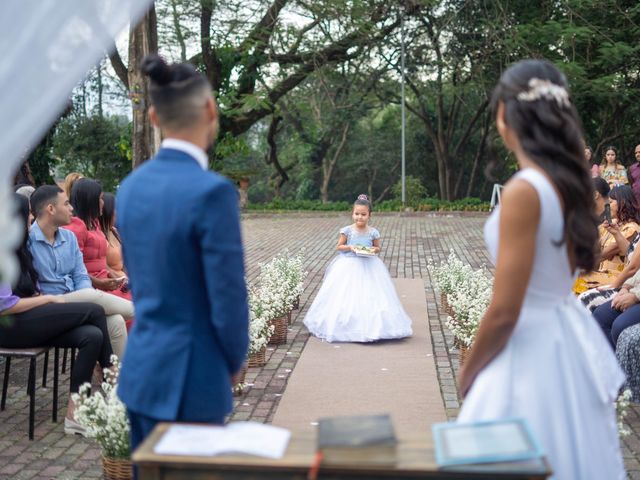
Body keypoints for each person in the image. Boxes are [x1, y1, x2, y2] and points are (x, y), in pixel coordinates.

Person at [456, 59, 625, 479]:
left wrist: (469, 369)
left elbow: (505, 309)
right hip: (565, 339)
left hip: (528, 348)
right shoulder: (568, 186)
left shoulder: (525, 191)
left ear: (504, 115)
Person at [115, 54, 249, 458]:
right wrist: (233, 358)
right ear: (210, 109)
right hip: (193, 378)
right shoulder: (213, 192)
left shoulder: (130, 188)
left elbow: (138, 279)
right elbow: (227, 294)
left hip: (141, 374)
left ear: (154, 117)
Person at [0, 194, 113, 436]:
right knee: (94, 310)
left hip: (29, 320)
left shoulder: (21, 250)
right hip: (9, 328)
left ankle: (75, 413)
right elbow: (5, 306)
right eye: (29, 213)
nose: (33, 217)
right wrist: (48, 299)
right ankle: (114, 383)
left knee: (92, 335)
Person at [28, 185, 131, 360]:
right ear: (51, 209)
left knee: (116, 322)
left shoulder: (69, 238)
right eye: (66, 204)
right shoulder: (28, 242)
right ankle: (149, 311)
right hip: (48, 305)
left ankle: (118, 384)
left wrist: (83, 300)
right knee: (92, 296)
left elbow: (80, 275)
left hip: (76, 301)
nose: (71, 208)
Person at [303, 194, 413, 342]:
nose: (359, 217)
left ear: (369, 215)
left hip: (369, 265)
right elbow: (339, 247)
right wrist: (350, 247)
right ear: (352, 213)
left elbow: (377, 248)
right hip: (348, 264)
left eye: (363, 214)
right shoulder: (347, 231)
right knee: (347, 296)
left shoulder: (373, 232)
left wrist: (371, 250)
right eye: (356, 214)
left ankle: (375, 327)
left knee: (371, 295)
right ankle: (346, 326)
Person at [64, 178, 132, 303]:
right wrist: (100, 282)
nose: (103, 203)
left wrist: (114, 277)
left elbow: (103, 263)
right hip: (91, 287)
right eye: (100, 199)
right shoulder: (76, 228)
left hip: (107, 282)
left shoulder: (95, 224)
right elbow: (73, 269)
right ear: (90, 200)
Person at [593, 268, 640, 349]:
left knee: (620, 326)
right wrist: (625, 288)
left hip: (636, 295)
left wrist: (636, 296)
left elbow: (632, 267)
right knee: (599, 316)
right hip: (634, 290)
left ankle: (624, 360)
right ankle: (609, 359)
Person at [99, 192, 127, 280]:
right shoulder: (99, 235)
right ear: (108, 210)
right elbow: (102, 267)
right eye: (117, 208)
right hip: (115, 284)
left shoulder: (114, 231)